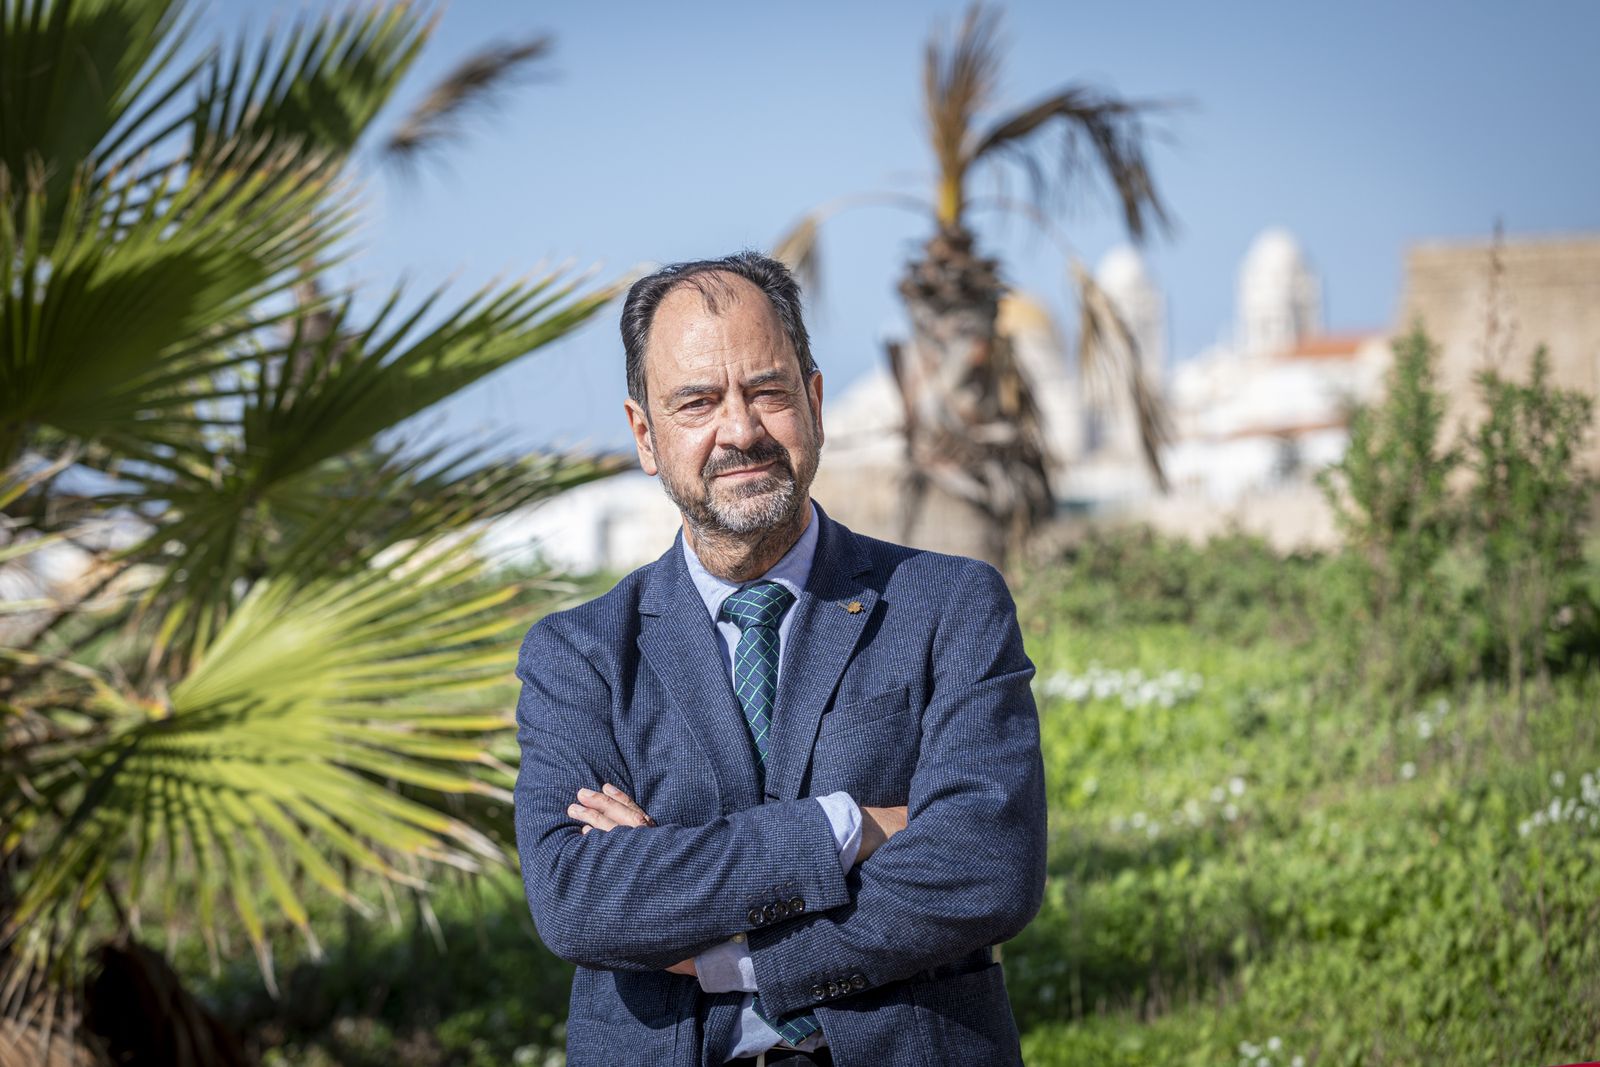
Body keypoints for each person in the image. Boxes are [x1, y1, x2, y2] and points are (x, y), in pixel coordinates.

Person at [512, 251, 1046, 1067]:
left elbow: (986, 864)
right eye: (697, 402)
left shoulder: (949, 606)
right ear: (645, 436)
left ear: (816, 402)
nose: (741, 429)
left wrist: (734, 952)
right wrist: (848, 825)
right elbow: (581, 899)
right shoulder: (578, 656)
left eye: (767, 390)